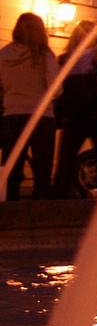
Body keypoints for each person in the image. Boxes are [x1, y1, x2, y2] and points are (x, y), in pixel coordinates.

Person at [0, 12, 60, 199]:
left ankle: (10, 209)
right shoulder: (45, 56)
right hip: (41, 116)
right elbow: (57, 89)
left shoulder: (3, 55)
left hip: (12, 114)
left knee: (12, 167)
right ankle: (39, 211)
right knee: (42, 168)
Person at [53, 21, 97, 198]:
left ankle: (60, 198)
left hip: (77, 116)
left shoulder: (65, 59)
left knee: (68, 160)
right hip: (89, 116)